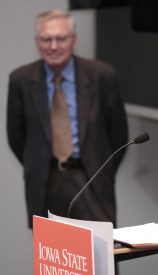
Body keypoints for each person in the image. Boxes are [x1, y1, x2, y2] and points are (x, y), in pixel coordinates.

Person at [6, 9, 128, 229]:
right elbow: (16, 137)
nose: (54, 46)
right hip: (46, 183)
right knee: (53, 258)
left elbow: (119, 135)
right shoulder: (21, 80)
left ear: (73, 40)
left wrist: (102, 171)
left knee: (99, 257)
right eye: (46, 39)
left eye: (61, 38)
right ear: (37, 42)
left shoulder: (102, 76)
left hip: (91, 180)